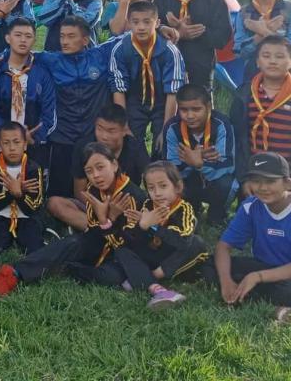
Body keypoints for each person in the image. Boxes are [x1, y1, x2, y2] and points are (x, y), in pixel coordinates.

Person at [0, 141, 147, 296]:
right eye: (89, 171)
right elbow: (92, 233)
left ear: (114, 165)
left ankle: (66, 267)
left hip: (124, 255)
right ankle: (14, 272)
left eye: (100, 167)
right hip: (100, 242)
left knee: (108, 276)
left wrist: (108, 219)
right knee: (72, 242)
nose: (96, 175)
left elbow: (129, 245)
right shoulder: (93, 189)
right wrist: (103, 220)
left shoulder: (131, 196)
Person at [204, 152, 291, 321]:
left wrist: (255, 277)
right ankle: (257, 294)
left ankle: (256, 292)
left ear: (287, 183)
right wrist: (226, 281)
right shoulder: (250, 206)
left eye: (270, 181)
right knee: (209, 265)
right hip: (266, 268)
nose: (263, 188)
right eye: (256, 181)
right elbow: (223, 246)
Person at [35, 16, 118, 199]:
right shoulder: (51, 60)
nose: (64, 41)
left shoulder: (100, 55)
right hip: (62, 136)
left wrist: (164, 30)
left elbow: (130, 35)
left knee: (99, 188)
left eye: (71, 36)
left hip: (93, 136)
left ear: (85, 39)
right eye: (62, 36)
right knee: (59, 194)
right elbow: (21, 52)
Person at [230, 35, 291, 195]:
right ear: (257, 62)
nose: (272, 61)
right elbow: (237, 141)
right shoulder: (244, 95)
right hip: (254, 178)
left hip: (290, 180)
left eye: (280, 56)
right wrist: (244, 180)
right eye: (266, 56)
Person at [114, 161, 209, 309]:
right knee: (121, 249)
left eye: (163, 186)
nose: (157, 193)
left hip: (173, 259)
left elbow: (183, 241)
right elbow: (132, 239)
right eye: (151, 188)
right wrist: (142, 226)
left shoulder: (184, 208)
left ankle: (149, 278)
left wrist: (153, 226)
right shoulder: (147, 205)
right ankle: (153, 285)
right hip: (153, 255)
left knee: (197, 243)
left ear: (178, 187)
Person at [49, 103, 149, 232]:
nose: (104, 136)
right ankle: (99, 230)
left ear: (124, 130)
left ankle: (107, 231)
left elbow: (150, 180)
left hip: (126, 206)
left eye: (111, 131)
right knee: (54, 204)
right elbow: (80, 192)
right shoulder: (84, 147)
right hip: (92, 205)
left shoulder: (135, 148)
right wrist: (103, 210)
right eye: (100, 129)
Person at [109, 0, 187, 152]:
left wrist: (166, 129)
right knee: (130, 143)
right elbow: (118, 89)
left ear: (157, 23)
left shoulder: (170, 51)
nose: (141, 27)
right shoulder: (120, 49)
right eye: (135, 22)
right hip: (134, 99)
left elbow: (173, 92)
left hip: (163, 101)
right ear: (129, 23)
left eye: (147, 22)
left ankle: (161, 169)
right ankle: (134, 174)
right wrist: (123, 124)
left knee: (164, 144)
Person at [153, 0, 232, 91]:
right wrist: (173, 31)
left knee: (200, 109)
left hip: (201, 68)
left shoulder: (215, 0)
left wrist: (199, 32)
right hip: (166, 67)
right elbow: (151, 31)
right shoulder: (161, 0)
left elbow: (223, 38)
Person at [0, 17, 56, 162]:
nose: (23, 40)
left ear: (34, 40)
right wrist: (5, 136)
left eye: (28, 36)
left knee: (33, 182)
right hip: (2, 142)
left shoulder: (42, 73)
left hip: (34, 144)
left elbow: (49, 111)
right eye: (18, 35)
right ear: (8, 38)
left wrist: (34, 137)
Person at [162, 84, 238, 226]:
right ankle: (189, 209)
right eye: (184, 110)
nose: (190, 116)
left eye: (196, 109)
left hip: (214, 181)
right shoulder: (172, 127)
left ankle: (217, 215)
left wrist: (199, 163)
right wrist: (192, 161)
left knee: (228, 183)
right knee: (167, 179)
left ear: (208, 107)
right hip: (187, 180)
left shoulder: (222, 124)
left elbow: (227, 166)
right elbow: (170, 167)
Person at [0, 122, 46, 255]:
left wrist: (19, 195)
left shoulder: (33, 168)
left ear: (25, 144)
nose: (12, 148)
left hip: (26, 216)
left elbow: (35, 205)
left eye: (17, 142)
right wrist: (12, 192)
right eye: (6, 143)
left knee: (34, 248)